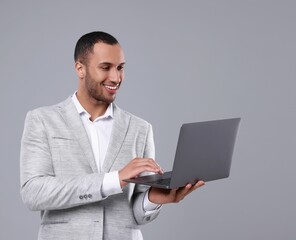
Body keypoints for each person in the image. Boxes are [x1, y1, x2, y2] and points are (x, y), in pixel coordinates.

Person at [20, 31, 204, 240]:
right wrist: (114, 180)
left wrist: (154, 199)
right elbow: (33, 193)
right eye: (105, 67)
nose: (116, 77)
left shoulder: (140, 128)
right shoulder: (42, 120)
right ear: (80, 68)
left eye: (120, 68)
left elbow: (137, 214)